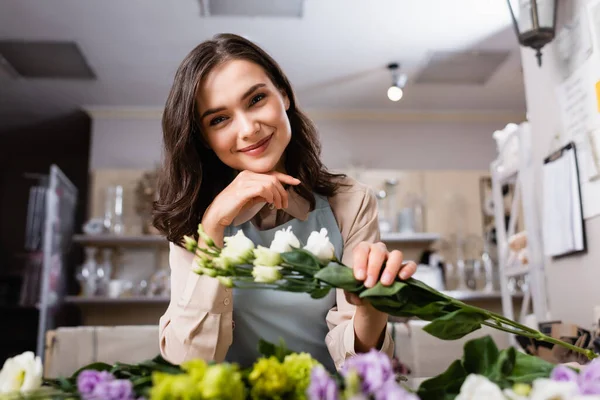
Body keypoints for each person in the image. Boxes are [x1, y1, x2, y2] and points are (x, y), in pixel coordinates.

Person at [152, 33, 417, 372]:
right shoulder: (193, 222)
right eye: (219, 119)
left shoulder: (350, 203)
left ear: (285, 95)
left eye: (256, 99)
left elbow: (360, 370)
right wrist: (213, 226)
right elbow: (185, 366)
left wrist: (372, 309)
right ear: (204, 139)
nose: (248, 128)